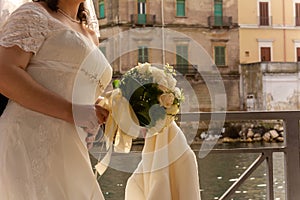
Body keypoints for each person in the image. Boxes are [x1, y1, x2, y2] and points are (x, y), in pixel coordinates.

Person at [0, 0, 112, 199]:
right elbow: (4, 74)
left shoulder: (91, 35)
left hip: (72, 148)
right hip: (29, 140)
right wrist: (72, 111)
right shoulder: (33, 14)